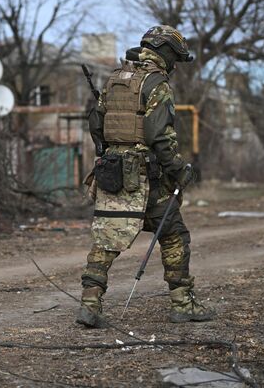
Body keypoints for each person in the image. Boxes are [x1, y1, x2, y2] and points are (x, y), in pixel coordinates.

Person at [76, 25, 215, 327]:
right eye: (175, 59)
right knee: (174, 234)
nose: (175, 66)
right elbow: (161, 138)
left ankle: (89, 303)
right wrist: (180, 171)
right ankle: (183, 303)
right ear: (165, 53)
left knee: (106, 239)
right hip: (146, 177)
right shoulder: (157, 85)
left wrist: (110, 152)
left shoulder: (114, 80)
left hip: (112, 173)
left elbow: (95, 126)